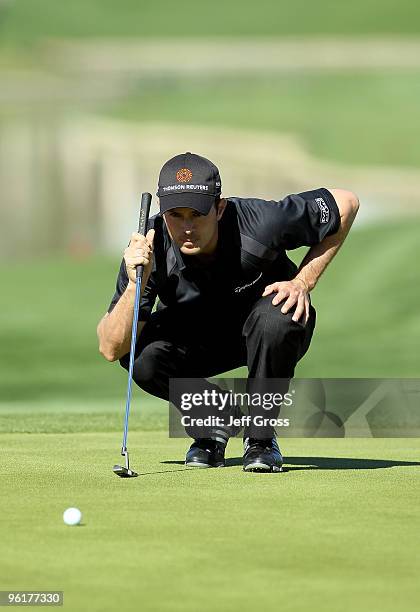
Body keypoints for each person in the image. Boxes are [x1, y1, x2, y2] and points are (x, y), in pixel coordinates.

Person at [97, 152, 359, 472]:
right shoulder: (149, 249)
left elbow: (346, 203)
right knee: (141, 356)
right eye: (175, 215)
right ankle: (216, 420)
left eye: (197, 213)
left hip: (269, 329)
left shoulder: (262, 221)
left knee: (276, 318)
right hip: (200, 337)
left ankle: (260, 438)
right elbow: (111, 347)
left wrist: (303, 281)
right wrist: (138, 283)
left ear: (219, 208)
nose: (186, 227)